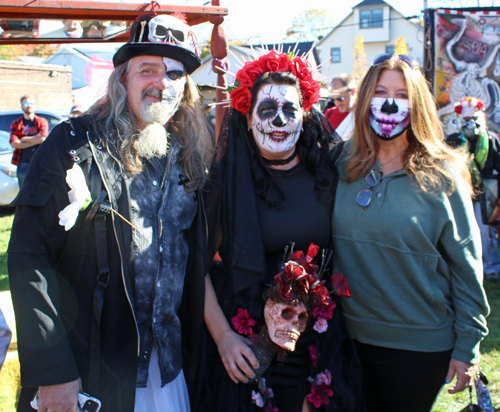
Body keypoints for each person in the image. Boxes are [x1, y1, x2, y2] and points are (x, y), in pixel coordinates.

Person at [8, 13, 213, 412]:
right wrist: (53, 372)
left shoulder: (190, 157)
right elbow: (29, 258)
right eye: (148, 70)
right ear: (123, 78)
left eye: (174, 74)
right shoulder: (72, 145)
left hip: (168, 373)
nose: (161, 83)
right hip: (93, 373)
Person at [202, 50, 362, 412]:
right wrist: (224, 337)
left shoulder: (327, 174)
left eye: (290, 110)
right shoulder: (225, 184)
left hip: (318, 347)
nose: (279, 120)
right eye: (267, 109)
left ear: (304, 116)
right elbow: (194, 267)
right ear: (246, 115)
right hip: (247, 348)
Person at [331, 54, 489, 412]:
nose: (390, 103)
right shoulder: (340, 163)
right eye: (381, 91)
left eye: (403, 94)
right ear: (366, 98)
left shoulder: (443, 173)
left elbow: (467, 268)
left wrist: (468, 347)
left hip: (419, 347)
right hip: (347, 340)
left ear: (417, 104)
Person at [445, 96, 500, 282]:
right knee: (459, 230)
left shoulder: (491, 140)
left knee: (486, 231)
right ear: (461, 119)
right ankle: (464, 268)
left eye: (475, 118)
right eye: (467, 119)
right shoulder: (453, 140)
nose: (471, 123)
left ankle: (491, 268)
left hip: (487, 194)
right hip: (461, 192)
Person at [9, 95, 49, 188]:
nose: (29, 106)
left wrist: (23, 139)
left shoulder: (41, 121)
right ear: (22, 106)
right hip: (23, 164)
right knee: (24, 192)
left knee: (40, 191)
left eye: (31, 103)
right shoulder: (16, 124)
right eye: (26, 103)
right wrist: (35, 139)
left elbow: (43, 138)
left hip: (39, 163)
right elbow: (14, 143)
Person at [324, 73, 356, 140]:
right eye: (333, 99)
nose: (337, 103)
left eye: (340, 98)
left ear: (353, 91)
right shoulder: (329, 114)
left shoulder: (365, 115)